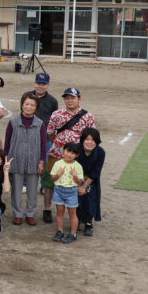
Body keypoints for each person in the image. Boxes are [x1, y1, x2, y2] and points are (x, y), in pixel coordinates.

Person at [43, 87, 96, 224]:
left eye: (73, 98)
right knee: (49, 183)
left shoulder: (88, 116)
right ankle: (47, 209)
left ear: (79, 99)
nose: (69, 100)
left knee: (77, 182)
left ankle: (77, 213)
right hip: (56, 154)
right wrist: (58, 144)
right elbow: (50, 133)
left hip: (78, 157)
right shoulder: (56, 114)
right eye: (67, 98)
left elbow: (91, 137)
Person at [5, 93, 46, 226]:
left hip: (34, 161)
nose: (29, 107)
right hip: (16, 160)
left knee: (33, 190)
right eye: (27, 104)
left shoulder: (40, 124)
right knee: (16, 190)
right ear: (22, 105)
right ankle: (17, 214)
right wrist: (6, 160)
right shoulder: (13, 122)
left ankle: (30, 214)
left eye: (32, 105)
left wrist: (41, 161)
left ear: (36, 108)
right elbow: (7, 142)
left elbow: (43, 144)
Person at [51, 142, 85, 244]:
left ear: (77, 155)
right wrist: (58, 174)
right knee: (59, 212)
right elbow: (53, 178)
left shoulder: (78, 166)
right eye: (68, 151)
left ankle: (73, 234)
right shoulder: (58, 164)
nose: (69, 154)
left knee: (72, 214)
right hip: (59, 190)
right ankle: (60, 231)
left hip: (71, 191)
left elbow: (79, 182)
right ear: (64, 151)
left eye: (73, 153)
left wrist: (75, 176)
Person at [77, 127, 105, 236]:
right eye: (87, 139)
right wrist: (79, 185)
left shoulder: (100, 152)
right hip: (76, 179)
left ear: (97, 142)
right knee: (76, 198)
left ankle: (88, 223)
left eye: (93, 140)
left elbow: (96, 172)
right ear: (82, 140)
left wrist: (84, 187)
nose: (90, 142)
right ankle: (77, 220)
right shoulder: (76, 149)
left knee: (90, 197)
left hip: (91, 179)